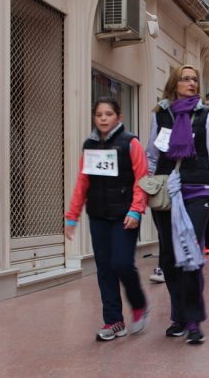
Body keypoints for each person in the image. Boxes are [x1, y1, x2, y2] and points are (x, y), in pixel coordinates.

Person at [146, 65, 209, 345]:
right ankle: (178, 315)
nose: (191, 83)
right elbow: (152, 156)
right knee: (169, 258)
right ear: (174, 83)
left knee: (189, 253)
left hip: (198, 191)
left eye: (195, 79)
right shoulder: (161, 114)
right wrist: (148, 188)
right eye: (186, 78)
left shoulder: (208, 116)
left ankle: (193, 321)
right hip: (167, 193)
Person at [65, 97, 149, 341]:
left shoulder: (130, 143)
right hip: (98, 215)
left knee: (121, 263)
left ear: (118, 118)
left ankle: (139, 303)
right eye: (99, 114)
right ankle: (114, 321)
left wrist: (136, 210)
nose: (103, 118)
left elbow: (141, 178)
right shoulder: (89, 145)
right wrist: (72, 216)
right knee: (104, 269)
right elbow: (83, 182)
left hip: (125, 215)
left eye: (108, 114)